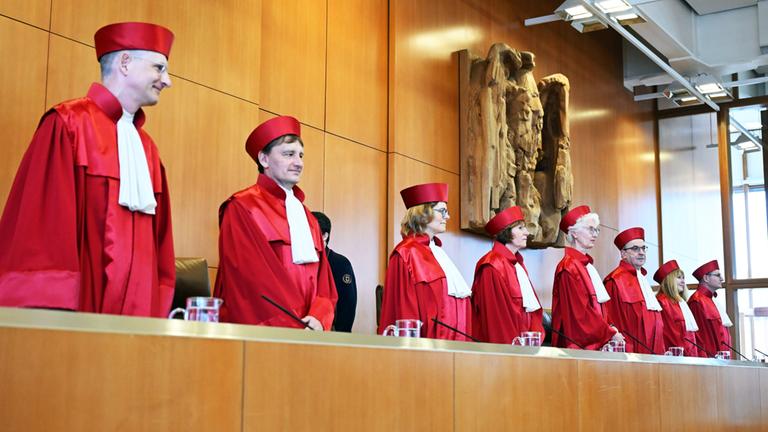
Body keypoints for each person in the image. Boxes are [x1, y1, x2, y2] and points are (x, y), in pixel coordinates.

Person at [0, 22, 176, 316]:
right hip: (81, 317)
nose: (167, 80)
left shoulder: (148, 149)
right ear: (124, 62)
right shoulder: (68, 125)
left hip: (140, 321)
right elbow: (43, 234)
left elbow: (161, 245)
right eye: (159, 68)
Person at [213, 116, 337, 330]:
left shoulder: (308, 218)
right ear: (264, 159)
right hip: (265, 332)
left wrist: (319, 317)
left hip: (308, 330)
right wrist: (295, 325)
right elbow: (250, 284)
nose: (298, 162)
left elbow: (323, 281)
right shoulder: (242, 207)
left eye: (300, 155)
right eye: (288, 154)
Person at [377, 183, 472, 340]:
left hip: (456, 351)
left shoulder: (439, 253)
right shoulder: (406, 253)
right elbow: (405, 312)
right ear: (423, 213)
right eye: (442, 211)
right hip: (427, 351)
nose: (447, 216)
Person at [551, 205, 623, 350]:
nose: (595, 234)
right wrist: (609, 333)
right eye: (591, 229)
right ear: (574, 233)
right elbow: (579, 314)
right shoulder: (568, 267)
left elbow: (600, 307)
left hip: (597, 342)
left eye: (597, 230)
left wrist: (611, 327)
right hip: (578, 348)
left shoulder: (587, 266)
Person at [471, 206, 544, 343]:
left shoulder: (518, 265)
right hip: (508, 348)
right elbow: (496, 320)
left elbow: (531, 311)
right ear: (506, 232)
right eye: (520, 228)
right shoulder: (491, 266)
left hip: (525, 344)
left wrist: (533, 338)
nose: (527, 233)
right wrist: (514, 348)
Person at [602, 228, 664, 354]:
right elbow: (609, 320)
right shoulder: (614, 280)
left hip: (654, 350)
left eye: (643, 248)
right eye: (635, 249)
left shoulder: (643, 279)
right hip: (632, 352)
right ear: (623, 254)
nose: (641, 252)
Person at [312, 211, 357, 332]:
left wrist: (341, 335)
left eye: (312, 230)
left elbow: (348, 305)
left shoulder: (341, 263)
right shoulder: (303, 261)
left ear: (325, 235)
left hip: (332, 332)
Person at [654, 260, 700, 357]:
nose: (683, 281)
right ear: (669, 280)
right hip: (674, 357)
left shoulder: (682, 303)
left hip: (689, 356)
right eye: (679, 278)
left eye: (683, 278)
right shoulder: (662, 302)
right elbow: (664, 334)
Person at [688, 260, 732, 357]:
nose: (722, 279)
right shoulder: (697, 301)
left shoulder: (711, 300)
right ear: (706, 278)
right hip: (710, 362)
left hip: (721, 360)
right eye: (718, 275)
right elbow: (699, 339)